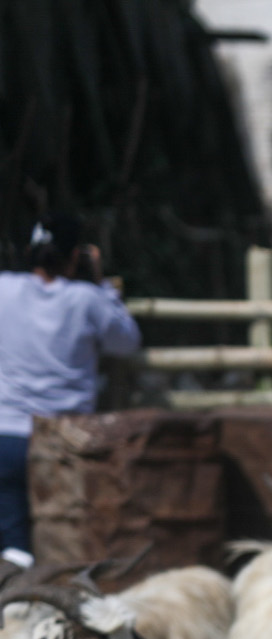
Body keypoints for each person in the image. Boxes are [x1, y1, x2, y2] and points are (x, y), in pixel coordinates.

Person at [0, 213, 143, 568]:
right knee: (64, 547)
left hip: (6, 435)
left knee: (14, 547)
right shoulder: (88, 299)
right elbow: (127, 342)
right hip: (64, 443)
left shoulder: (3, 288)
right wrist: (104, 287)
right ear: (76, 255)